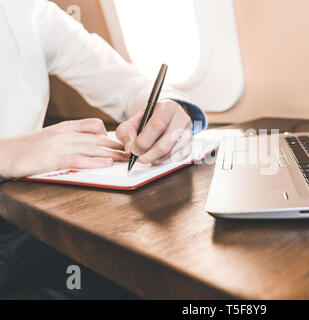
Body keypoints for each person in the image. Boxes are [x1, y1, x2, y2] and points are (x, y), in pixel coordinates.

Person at [0, 0, 207, 298]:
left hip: (21, 219)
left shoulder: (27, 11)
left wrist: (171, 111)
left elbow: (126, 83)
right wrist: (6, 154)